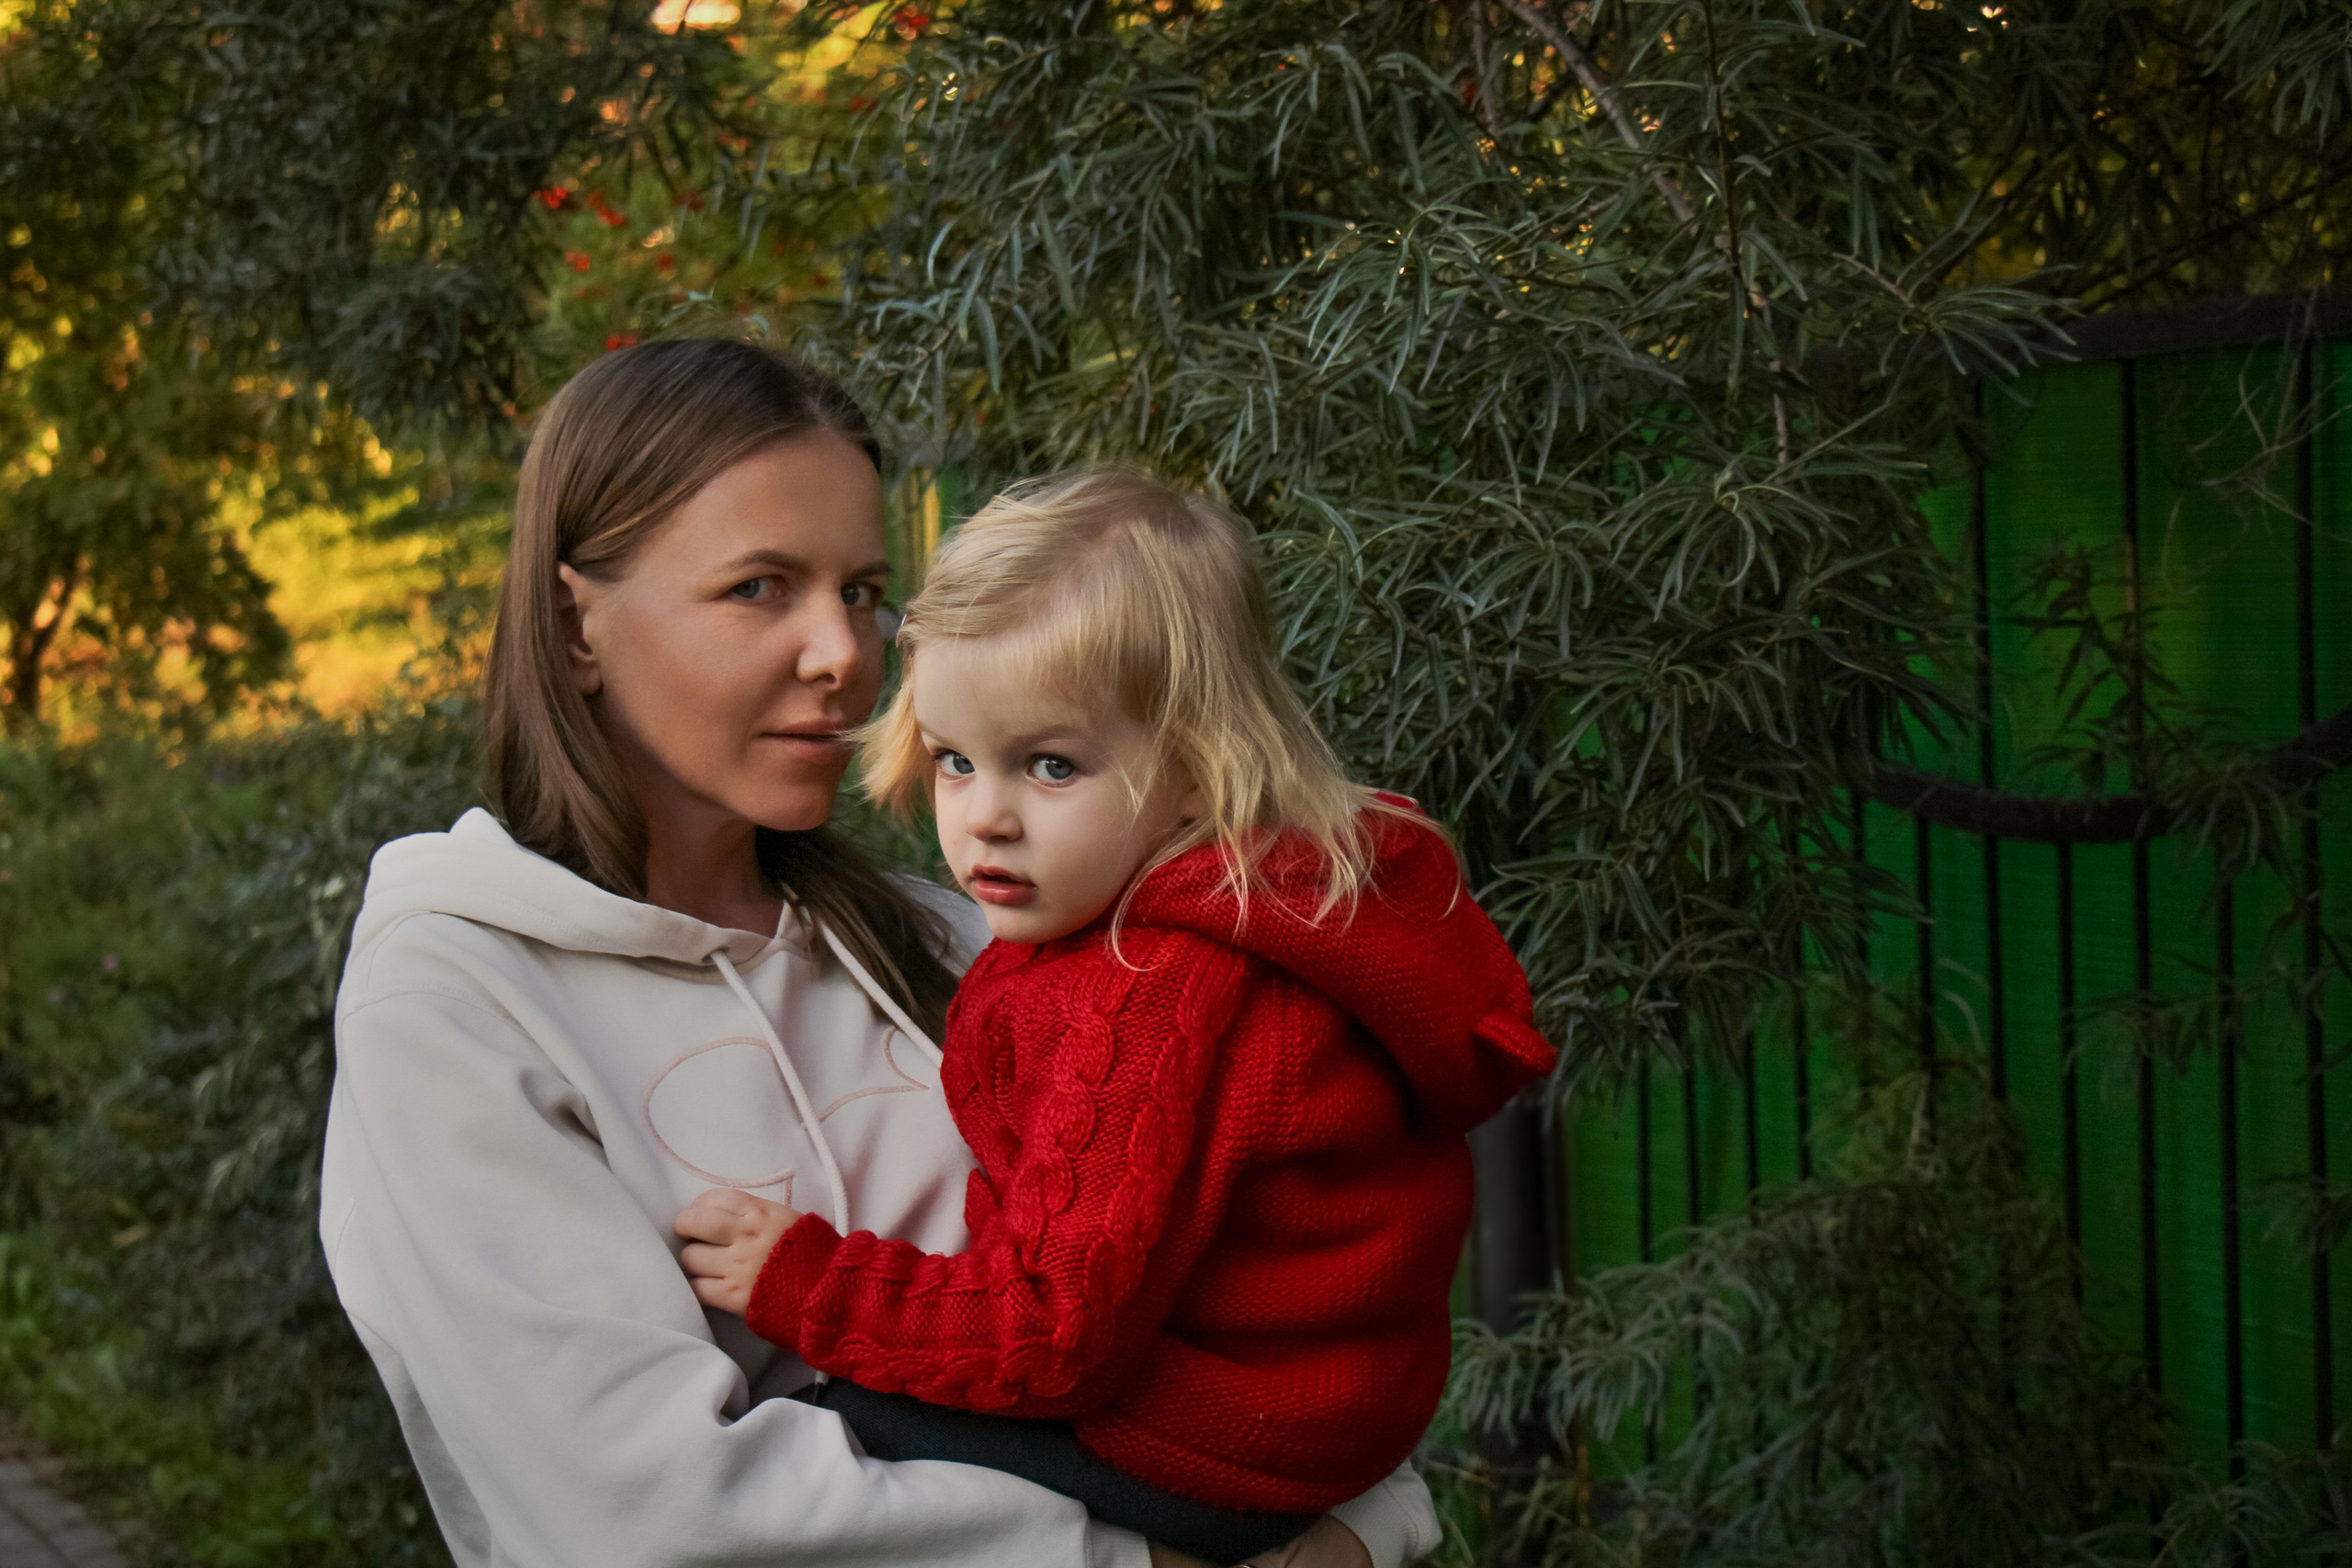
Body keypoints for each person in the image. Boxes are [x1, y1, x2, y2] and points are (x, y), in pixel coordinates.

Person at [318, 340, 1438, 1568]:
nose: (843, 652)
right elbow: (649, 1512)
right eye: (760, 586)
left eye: (859, 589)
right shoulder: (454, 1001)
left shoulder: (974, 940)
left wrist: (1370, 1529)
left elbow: (1274, 1296)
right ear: (577, 621)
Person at [672, 469, 1555, 1564]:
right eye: (954, 758)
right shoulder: (1235, 899)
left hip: (1220, 1441)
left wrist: (805, 1280)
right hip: (1322, 1412)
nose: (984, 816)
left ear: (1195, 767)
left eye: (1051, 766)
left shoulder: (1151, 987)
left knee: (811, 1458)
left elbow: (1049, 1338)